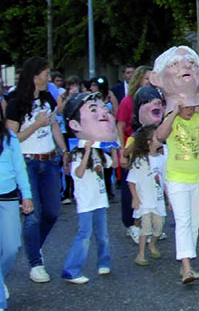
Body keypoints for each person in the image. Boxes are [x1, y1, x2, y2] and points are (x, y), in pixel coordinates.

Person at [151, 46, 199, 285]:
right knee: (184, 220)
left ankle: (188, 261)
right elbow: (160, 136)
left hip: (197, 177)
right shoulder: (171, 120)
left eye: (189, 107)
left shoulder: (198, 119)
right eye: (184, 107)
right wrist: (172, 114)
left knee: (194, 221)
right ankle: (186, 267)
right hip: (176, 178)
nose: (187, 110)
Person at [5, 57, 69, 284]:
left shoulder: (47, 98)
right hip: (27, 162)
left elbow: (53, 126)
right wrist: (35, 125)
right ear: (34, 76)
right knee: (33, 215)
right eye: (45, 74)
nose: (48, 78)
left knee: (52, 212)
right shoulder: (15, 103)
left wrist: (64, 151)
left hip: (50, 160)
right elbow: (12, 139)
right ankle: (35, 263)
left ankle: (34, 247)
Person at [60, 93, 117, 284]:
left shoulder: (100, 153)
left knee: (103, 235)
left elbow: (114, 165)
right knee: (84, 235)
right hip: (86, 202)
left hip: (100, 200)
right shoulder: (77, 153)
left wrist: (114, 146)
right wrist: (86, 152)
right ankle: (71, 270)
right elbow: (79, 173)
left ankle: (104, 262)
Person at [115, 65, 152, 245]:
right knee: (130, 187)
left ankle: (147, 222)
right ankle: (131, 224)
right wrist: (122, 152)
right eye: (146, 79)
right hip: (132, 147)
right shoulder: (128, 101)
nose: (149, 82)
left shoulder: (154, 100)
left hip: (149, 148)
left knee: (149, 185)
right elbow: (120, 126)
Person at [1, 121, 34, 311]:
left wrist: (27, 195)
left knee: (12, 247)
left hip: (9, 197)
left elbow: (20, 168)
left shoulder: (9, 137)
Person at [124, 124, 165, 266]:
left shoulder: (162, 158)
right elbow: (131, 181)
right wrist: (135, 198)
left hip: (158, 200)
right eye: (157, 136)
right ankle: (140, 254)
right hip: (145, 201)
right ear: (149, 142)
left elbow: (165, 180)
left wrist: (169, 199)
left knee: (159, 226)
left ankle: (152, 244)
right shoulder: (140, 161)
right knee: (145, 227)